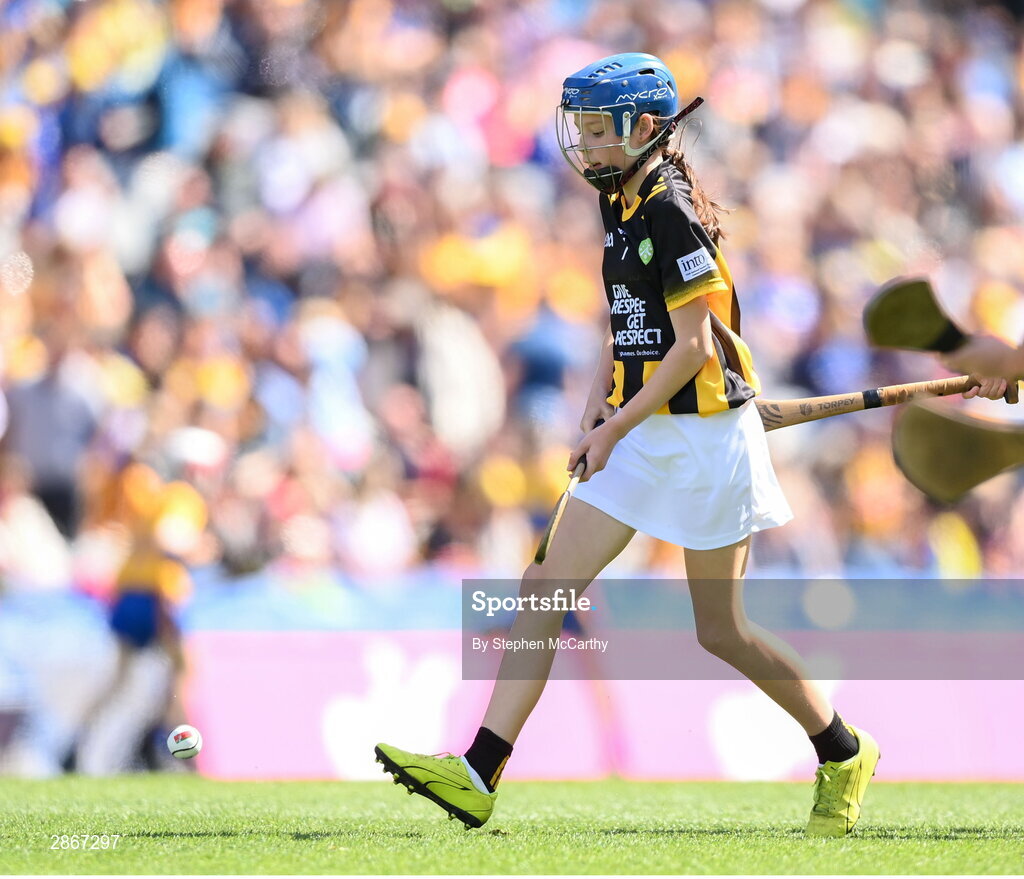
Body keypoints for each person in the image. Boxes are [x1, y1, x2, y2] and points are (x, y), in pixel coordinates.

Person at [375, 53, 879, 837]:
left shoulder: (671, 210)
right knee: (545, 583)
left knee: (721, 630)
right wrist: (598, 394)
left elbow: (694, 350)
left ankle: (842, 749)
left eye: (596, 126)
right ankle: (478, 770)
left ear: (645, 129)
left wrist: (613, 425)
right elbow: (630, 325)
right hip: (642, 429)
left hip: (706, 439)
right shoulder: (620, 201)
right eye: (577, 122)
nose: (582, 139)